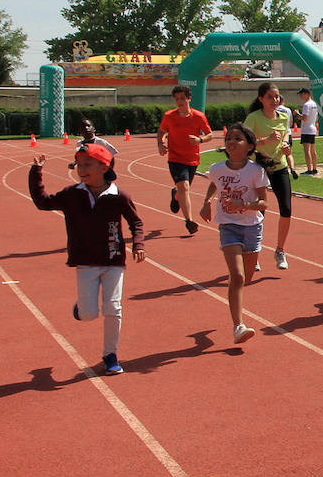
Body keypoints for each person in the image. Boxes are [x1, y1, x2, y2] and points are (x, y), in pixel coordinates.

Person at [28, 141, 145, 375]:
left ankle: (110, 355)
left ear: (104, 167)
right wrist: (36, 173)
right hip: (85, 262)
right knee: (90, 313)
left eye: (87, 164)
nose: (81, 169)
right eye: (78, 164)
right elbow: (43, 202)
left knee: (113, 308)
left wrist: (138, 244)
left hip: (113, 261)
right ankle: (81, 308)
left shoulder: (119, 196)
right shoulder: (72, 195)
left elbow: (136, 222)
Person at [198, 123, 270, 345]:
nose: (231, 141)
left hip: (252, 227)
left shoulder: (256, 171)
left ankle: (215, 330)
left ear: (249, 145)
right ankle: (238, 326)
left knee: (246, 278)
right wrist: (206, 202)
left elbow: (264, 203)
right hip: (228, 225)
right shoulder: (218, 168)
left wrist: (245, 204)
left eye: (237, 138)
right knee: (237, 276)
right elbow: (214, 183)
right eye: (228, 138)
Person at [243, 82, 295, 269]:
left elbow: (286, 137)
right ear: (261, 99)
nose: (275, 100)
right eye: (270, 97)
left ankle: (280, 250)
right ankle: (254, 251)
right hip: (259, 167)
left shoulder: (283, 117)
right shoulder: (253, 118)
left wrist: (287, 146)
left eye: (277, 97)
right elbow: (244, 143)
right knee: (259, 211)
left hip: (279, 166)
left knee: (286, 209)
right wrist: (266, 140)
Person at [158, 84, 213, 237]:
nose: (180, 101)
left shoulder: (198, 116)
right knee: (185, 187)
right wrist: (160, 143)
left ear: (189, 99)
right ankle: (189, 221)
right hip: (175, 158)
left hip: (192, 159)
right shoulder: (169, 116)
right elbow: (161, 131)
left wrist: (200, 140)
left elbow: (210, 134)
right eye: (177, 99)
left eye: (182, 98)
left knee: (182, 190)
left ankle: (175, 195)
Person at [292, 88, 321, 175]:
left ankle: (309, 169)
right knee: (312, 150)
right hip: (312, 128)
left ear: (306, 94)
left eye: (301, 94)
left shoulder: (306, 105)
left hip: (307, 129)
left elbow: (304, 118)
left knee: (307, 150)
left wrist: (297, 114)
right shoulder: (314, 104)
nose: (300, 96)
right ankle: (315, 168)